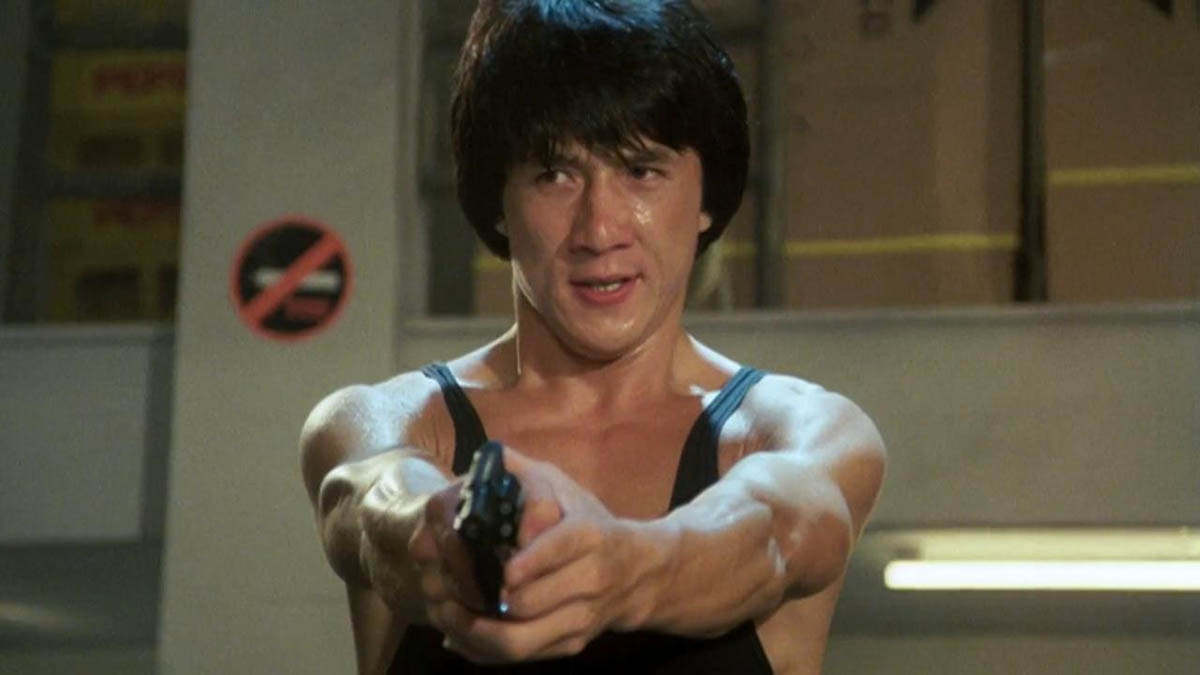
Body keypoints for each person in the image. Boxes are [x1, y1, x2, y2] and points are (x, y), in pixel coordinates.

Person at [300, 1, 886, 673]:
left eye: (641, 170)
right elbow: (371, 506)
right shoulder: (392, 420)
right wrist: (445, 534)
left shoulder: (802, 429)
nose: (600, 229)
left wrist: (619, 568)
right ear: (498, 200)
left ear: (706, 197)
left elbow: (778, 533)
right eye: (555, 174)